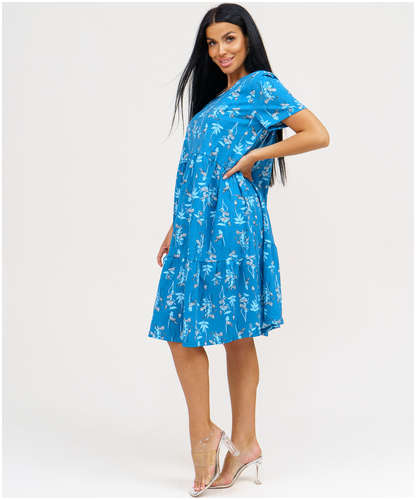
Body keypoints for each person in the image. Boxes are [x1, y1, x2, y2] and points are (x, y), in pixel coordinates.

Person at [148, 3, 329, 496]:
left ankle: (239, 442)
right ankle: (211, 432)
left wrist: (257, 154)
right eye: (211, 43)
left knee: (235, 334)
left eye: (229, 38)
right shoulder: (216, 99)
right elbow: (199, 168)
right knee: (180, 329)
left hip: (234, 224)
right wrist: (176, 225)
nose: (220, 50)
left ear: (247, 38)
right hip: (196, 224)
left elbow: (318, 134)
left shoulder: (261, 86)